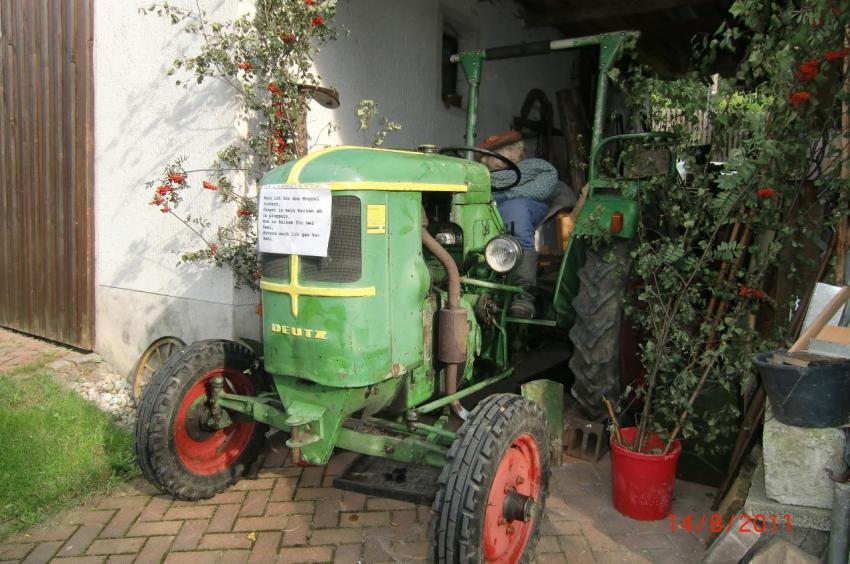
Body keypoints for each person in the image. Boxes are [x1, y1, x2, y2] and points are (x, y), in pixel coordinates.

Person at [479, 130, 559, 318]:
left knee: (516, 209)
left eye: (513, 149)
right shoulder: (479, 177)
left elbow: (545, 185)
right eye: (503, 149)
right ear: (485, 158)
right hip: (490, 203)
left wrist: (507, 194)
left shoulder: (532, 168)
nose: (510, 153)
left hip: (525, 204)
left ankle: (524, 291)